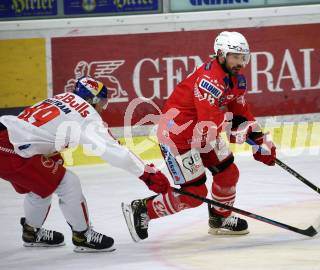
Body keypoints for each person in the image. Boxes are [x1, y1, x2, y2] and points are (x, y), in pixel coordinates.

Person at [122, 31, 276, 241]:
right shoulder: (208, 81)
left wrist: (260, 139)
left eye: (243, 57)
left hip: (203, 134)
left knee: (229, 174)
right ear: (221, 55)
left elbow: (241, 112)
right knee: (195, 194)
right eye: (235, 57)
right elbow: (210, 125)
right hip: (178, 137)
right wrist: (242, 133)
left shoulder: (236, 79)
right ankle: (143, 209)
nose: (240, 62)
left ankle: (220, 219)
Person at [0, 76, 170, 252]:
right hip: (12, 149)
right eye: (102, 102)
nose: (103, 108)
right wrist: (146, 174)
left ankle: (31, 232)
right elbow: (112, 150)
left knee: (42, 185)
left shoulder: (62, 97)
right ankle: (82, 235)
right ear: (93, 99)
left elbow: (43, 129)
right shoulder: (85, 114)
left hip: (9, 140)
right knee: (68, 183)